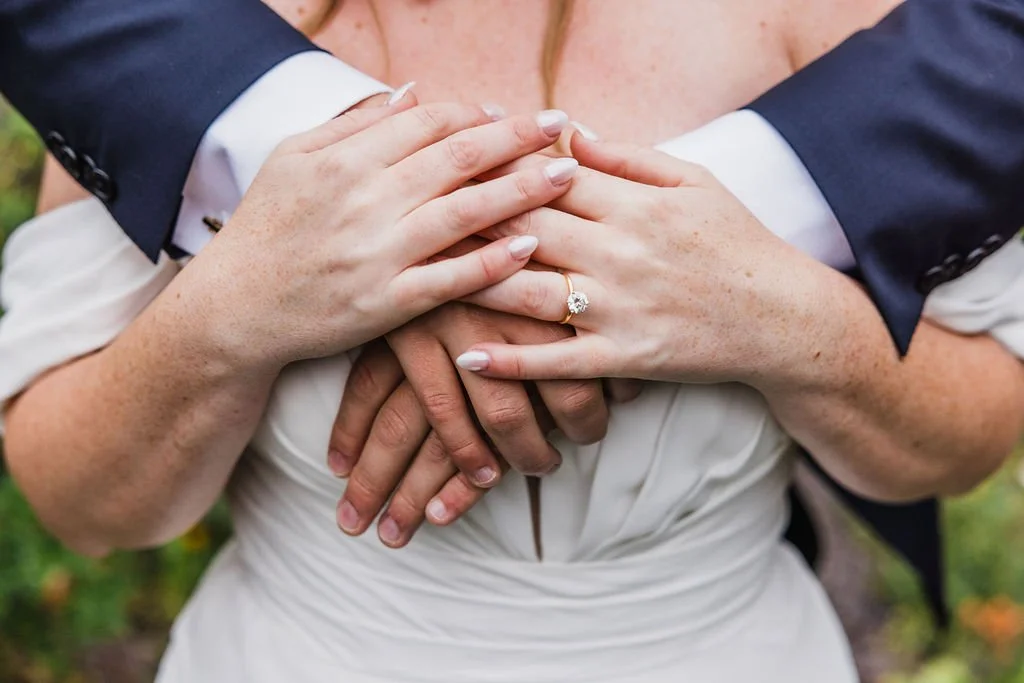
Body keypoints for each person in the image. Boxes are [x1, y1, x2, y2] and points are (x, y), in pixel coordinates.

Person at [3, 2, 1024, 682]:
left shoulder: (863, 27)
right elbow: (84, 501)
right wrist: (233, 311)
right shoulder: (177, 34)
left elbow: (954, 448)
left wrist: (782, 321)